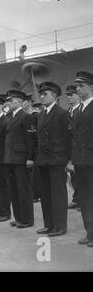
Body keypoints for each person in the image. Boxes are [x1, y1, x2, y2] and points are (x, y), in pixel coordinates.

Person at [35, 82, 72, 237]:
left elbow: (69, 139)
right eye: (41, 94)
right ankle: (49, 225)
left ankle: (60, 226)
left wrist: (69, 160)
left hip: (57, 161)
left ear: (55, 96)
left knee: (58, 195)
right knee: (45, 194)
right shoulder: (41, 115)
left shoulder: (62, 113)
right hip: (43, 160)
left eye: (46, 94)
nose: (42, 96)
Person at [67, 71, 93, 247]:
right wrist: (72, 161)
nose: (78, 89)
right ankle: (90, 233)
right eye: (77, 86)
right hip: (81, 161)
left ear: (91, 87)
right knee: (85, 198)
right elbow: (74, 138)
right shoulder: (78, 110)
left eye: (81, 86)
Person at [4, 90, 35, 229]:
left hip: (21, 159)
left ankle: (27, 219)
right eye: (8, 101)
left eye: (11, 100)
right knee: (14, 190)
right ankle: (18, 218)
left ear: (20, 102)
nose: (8, 103)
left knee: (23, 190)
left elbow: (31, 140)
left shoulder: (26, 117)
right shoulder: (10, 117)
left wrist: (30, 158)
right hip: (11, 158)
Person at [65, 85, 81, 210]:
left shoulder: (80, 110)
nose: (69, 97)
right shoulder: (68, 112)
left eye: (72, 95)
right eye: (68, 95)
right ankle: (77, 198)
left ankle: (84, 200)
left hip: (81, 148)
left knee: (83, 176)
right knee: (74, 176)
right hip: (71, 148)